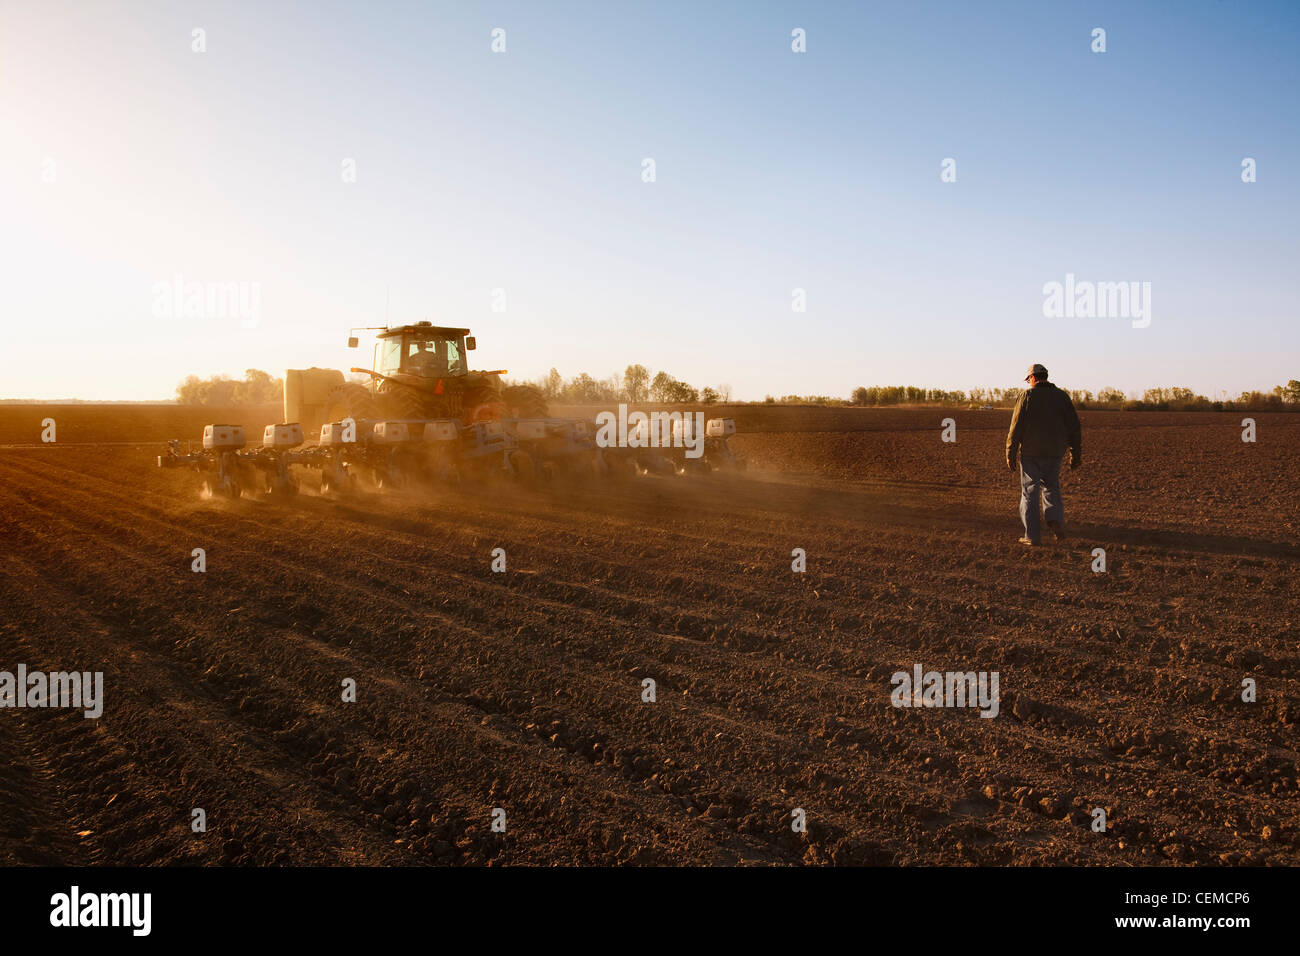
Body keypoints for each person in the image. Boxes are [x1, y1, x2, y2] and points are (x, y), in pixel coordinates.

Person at [1005, 363, 1081, 546]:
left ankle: (1032, 536)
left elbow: (1016, 426)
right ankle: (1055, 521)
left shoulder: (1027, 396)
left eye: (1029, 379)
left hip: (1031, 452)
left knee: (1030, 491)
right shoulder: (1062, 396)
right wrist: (1075, 453)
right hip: (1055, 452)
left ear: (1033, 378)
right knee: (1051, 487)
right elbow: (1074, 426)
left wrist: (1010, 451)